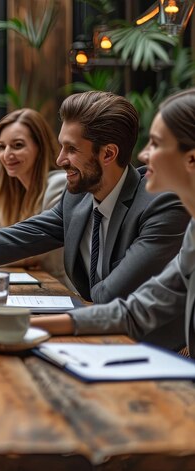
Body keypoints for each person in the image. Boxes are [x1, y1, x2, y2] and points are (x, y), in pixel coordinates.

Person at [0, 91, 190, 304]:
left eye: (71, 149)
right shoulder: (77, 200)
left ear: (108, 154)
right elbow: (11, 239)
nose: (59, 160)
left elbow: (108, 296)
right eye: (61, 147)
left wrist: (54, 321)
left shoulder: (160, 204)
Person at [33, 88, 195, 353]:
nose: (143, 155)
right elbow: (134, 311)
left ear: (191, 158)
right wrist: (34, 326)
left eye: (155, 143)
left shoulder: (165, 209)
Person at [0, 108, 68, 286]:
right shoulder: (13, 194)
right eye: (1, 146)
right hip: (31, 287)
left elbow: (29, 251)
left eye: (17, 145)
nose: (6, 154)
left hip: (62, 293)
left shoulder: (59, 185)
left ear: (40, 146)